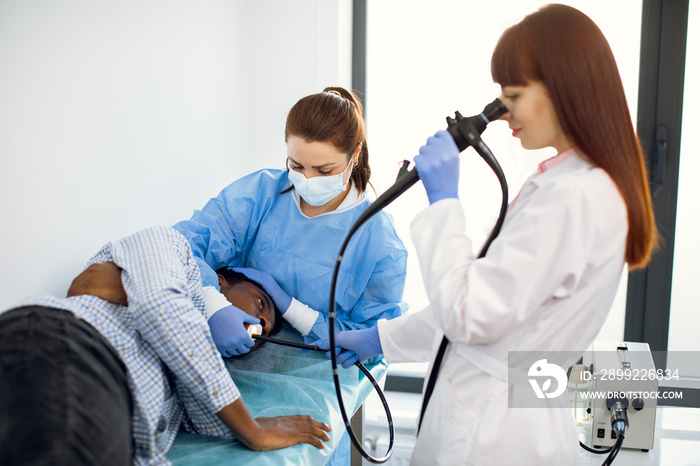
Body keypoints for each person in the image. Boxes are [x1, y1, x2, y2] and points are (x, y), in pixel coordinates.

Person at [312, 5, 658, 465]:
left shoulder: (574, 198)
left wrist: (444, 203)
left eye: (512, 94)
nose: (502, 111)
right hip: (499, 410)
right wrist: (379, 338)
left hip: (495, 433)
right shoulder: (571, 184)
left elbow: (471, 315)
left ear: (564, 89)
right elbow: (491, 311)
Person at [0, 226, 331, 466]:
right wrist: (252, 429)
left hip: (114, 408)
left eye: (268, 329)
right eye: (260, 304)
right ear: (220, 280)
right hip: (72, 352)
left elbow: (197, 416)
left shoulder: (194, 371)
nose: (264, 326)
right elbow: (161, 308)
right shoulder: (172, 249)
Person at [173, 86, 408, 359]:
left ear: (354, 155)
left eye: (324, 171)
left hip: (319, 369)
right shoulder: (259, 195)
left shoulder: (378, 239)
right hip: (231, 346)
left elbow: (375, 336)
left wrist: (293, 308)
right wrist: (212, 304)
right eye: (297, 166)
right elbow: (181, 246)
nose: (307, 179)